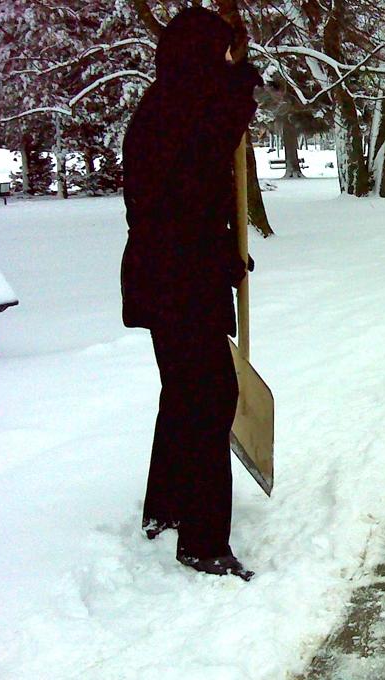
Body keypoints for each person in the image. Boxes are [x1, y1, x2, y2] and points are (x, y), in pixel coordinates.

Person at [120, 7, 262, 581]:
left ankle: (167, 504)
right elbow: (189, 185)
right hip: (177, 277)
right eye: (222, 51)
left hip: (170, 274)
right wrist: (238, 91)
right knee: (209, 399)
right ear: (200, 55)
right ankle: (203, 541)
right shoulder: (174, 112)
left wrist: (225, 253)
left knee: (182, 392)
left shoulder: (167, 105)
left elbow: (196, 189)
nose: (228, 60)